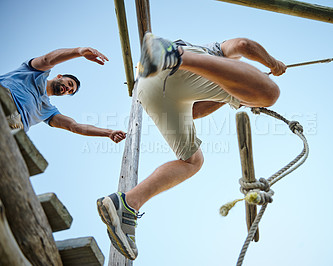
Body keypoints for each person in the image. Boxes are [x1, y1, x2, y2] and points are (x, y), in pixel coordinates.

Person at [96, 33, 286, 260]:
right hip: (177, 65)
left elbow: (194, 112)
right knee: (270, 93)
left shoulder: (213, 86)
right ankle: (175, 55)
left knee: (192, 162)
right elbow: (243, 45)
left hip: (148, 90)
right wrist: (273, 64)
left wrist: (234, 95)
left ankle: (127, 204)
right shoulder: (215, 50)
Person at [0, 47, 126, 143]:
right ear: (60, 76)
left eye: (70, 91)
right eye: (69, 83)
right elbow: (47, 59)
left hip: (12, 128)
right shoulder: (35, 72)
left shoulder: (48, 110)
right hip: (3, 98)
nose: (68, 88)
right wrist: (79, 51)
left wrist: (109, 133)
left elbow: (74, 126)